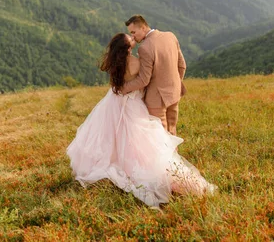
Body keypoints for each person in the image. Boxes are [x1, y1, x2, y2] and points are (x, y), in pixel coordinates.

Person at [66, 33, 215, 208]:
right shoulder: (135, 62)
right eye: (131, 40)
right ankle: (168, 180)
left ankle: (119, 163)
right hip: (132, 104)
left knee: (113, 135)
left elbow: (120, 84)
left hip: (114, 102)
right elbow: (145, 80)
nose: (134, 39)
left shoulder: (114, 63)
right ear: (128, 48)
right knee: (138, 139)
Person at [121, 15, 186, 136]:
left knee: (159, 135)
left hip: (156, 98)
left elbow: (143, 80)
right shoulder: (170, 36)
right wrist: (175, 83)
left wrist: (123, 88)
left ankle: (166, 155)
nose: (133, 36)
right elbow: (182, 65)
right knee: (172, 131)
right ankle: (173, 154)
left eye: (134, 32)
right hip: (174, 93)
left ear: (143, 27)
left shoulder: (145, 48)